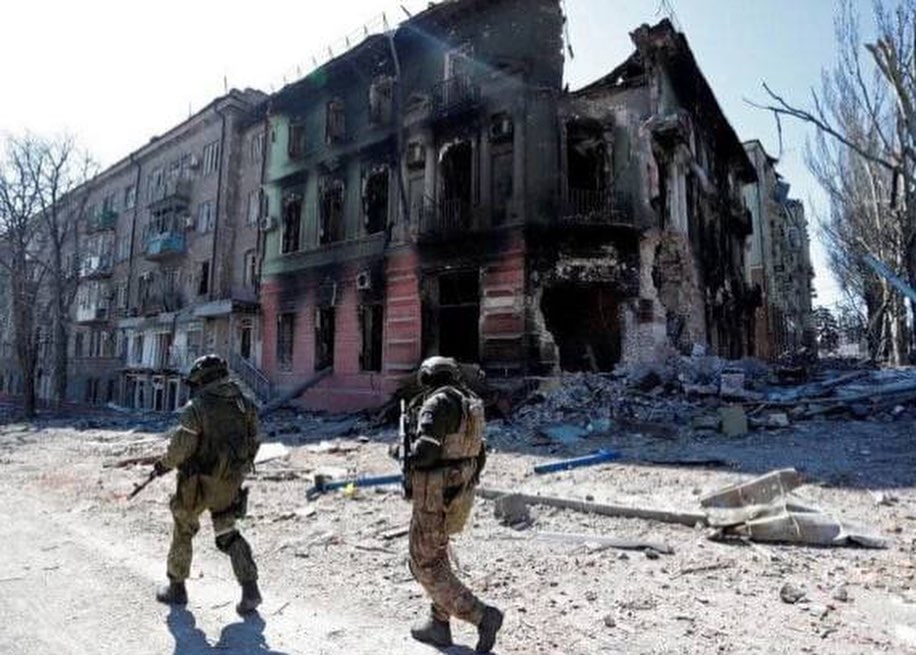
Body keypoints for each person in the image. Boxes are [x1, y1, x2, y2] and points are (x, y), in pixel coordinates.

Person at [399, 356, 503, 653]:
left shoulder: (437, 404)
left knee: (424, 563)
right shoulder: (470, 403)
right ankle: (438, 623)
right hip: (458, 493)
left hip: (435, 495)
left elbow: (426, 453)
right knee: (438, 557)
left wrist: (404, 454)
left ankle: (482, 616)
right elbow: (480, 454)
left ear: (426, 377)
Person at [152, 354, 262, 615]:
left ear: (203, 380)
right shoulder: (245, 405)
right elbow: (255, 441)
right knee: (227, 532)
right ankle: (250, 590)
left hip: (197, 484)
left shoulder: (197, 407)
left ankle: (177, 588)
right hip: (229, 483)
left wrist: (163, 465)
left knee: (184, 527)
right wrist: (236, 469)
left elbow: (181, 447)